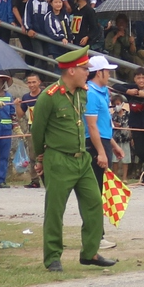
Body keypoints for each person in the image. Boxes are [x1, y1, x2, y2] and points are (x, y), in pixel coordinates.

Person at [31, 48, 115, 272]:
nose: (88, 72)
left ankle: (90, 252)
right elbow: (37, 131)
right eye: (84, 69)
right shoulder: (49, 97)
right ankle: (52, 257)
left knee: (94, 204)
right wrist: (40, 158)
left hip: (82, 158)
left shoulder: (82, 92)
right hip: (58, 159)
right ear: (71, 70)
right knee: (55, 210)